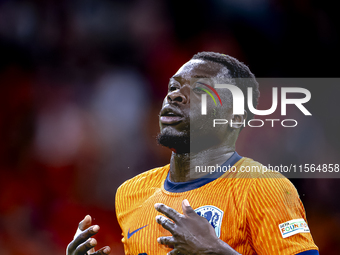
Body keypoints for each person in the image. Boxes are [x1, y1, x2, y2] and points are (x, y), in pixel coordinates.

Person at [66, 52, 319, 255]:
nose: (175, 96)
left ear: (234, 117)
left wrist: (216, 251)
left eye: (200, 91)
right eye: (173, 87)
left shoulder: (263, 188)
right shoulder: (130, 193)